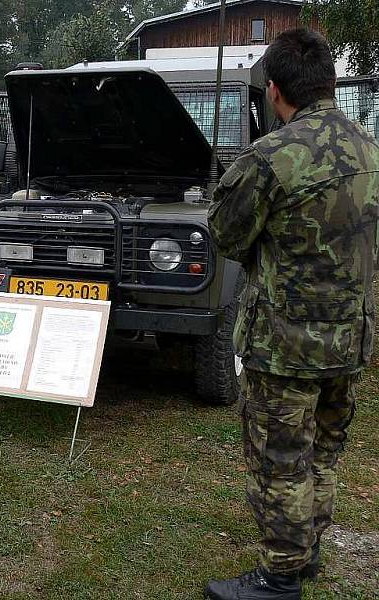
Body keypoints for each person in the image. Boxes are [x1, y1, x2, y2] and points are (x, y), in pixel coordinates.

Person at [205, 28, 379, 600]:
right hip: (348, 338)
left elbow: (227, 235)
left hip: (285, 344)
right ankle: (307, 550)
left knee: (280, 458)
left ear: (275, 91)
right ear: (329, 81)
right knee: (324, 449)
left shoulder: (273, 157)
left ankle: (280, 576)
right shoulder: (370, 149)